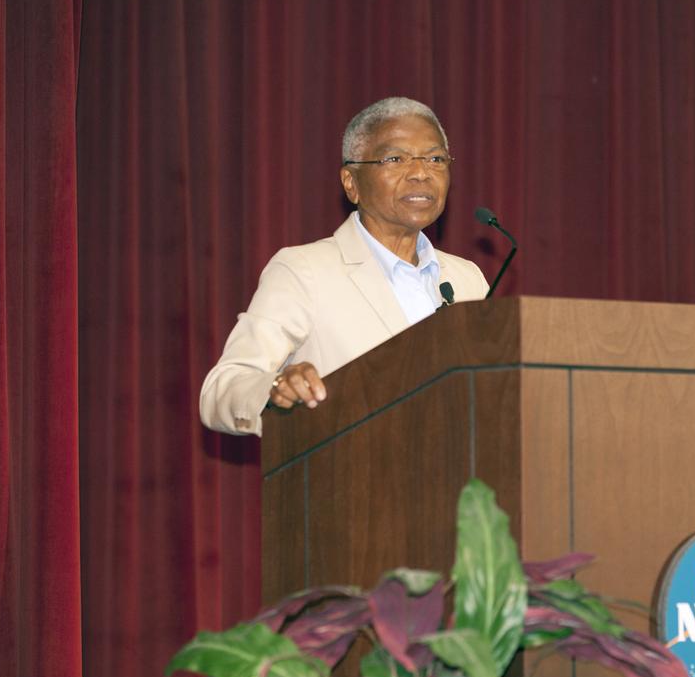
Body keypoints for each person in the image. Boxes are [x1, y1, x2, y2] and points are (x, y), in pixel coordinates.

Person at [200, 97, 489, 436]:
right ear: (351, 182)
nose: (421, 173)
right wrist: (275, 387)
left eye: (436, 158)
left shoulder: (468, 279)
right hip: (348, 479)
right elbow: (222, 390)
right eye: (396, 158)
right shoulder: (305, 270)